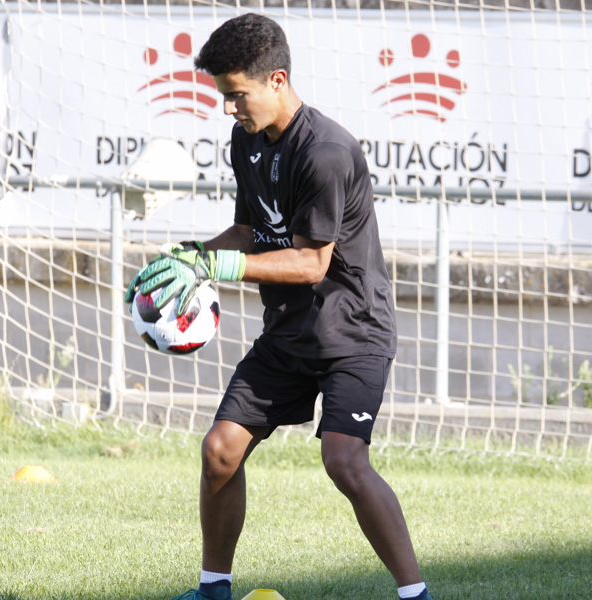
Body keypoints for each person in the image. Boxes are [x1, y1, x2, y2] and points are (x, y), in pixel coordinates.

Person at [125, 13, 432, 600]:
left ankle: (415, 594)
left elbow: (311, 262)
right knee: (220, 450)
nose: (229, 109)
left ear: (276, 80)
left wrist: (216, 268)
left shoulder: (328, 152)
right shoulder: (247, 139)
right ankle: (213, 589)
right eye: (223, 96)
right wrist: (192, 255)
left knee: (343, 461)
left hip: (353, 332)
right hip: (288, 331)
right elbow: (250, 230)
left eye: (236, 95)